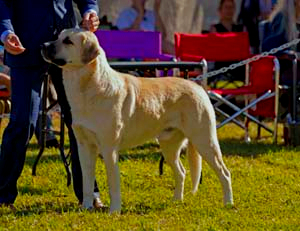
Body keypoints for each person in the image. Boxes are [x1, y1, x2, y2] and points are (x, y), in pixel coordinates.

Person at [0, 0, 102, 209]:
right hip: (24, 48)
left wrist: (90, 12)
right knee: (22, 123)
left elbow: (87, 0)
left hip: (68, 50)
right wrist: (5, 33)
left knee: (79, 125)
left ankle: (89, 195)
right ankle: (2, 195)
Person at [210, 0, 246, 88]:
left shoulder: (241, 29)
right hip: (220, 70)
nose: (229, 10)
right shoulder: (215, 29)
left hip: (238, 71)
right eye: (226, 7)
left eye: (231, 7)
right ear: (220, 10)